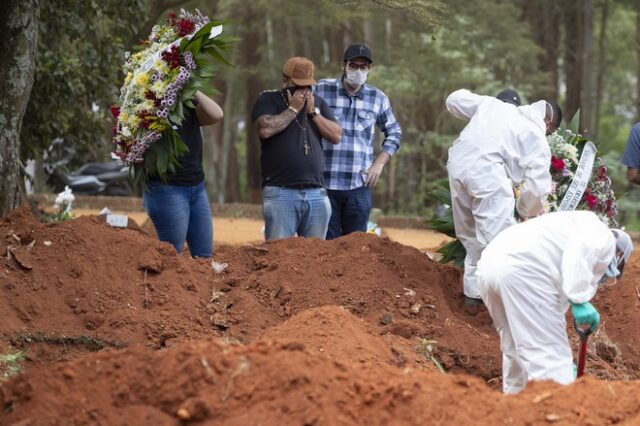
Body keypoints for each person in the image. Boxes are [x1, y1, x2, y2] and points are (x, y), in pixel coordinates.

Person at [476, 211, 633, 394]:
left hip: (489, 267)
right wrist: (579, 299)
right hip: (524, 273)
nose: (605, 278)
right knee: (549, 355)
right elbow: (580, 253)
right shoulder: (602, 235)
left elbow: (549, 311)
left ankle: (514, 407)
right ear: (619, 254)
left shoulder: (565, 228)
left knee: (515, 350)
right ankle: (557, 409)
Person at [446, 88, 562, 310]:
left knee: (471, 236)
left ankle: (473, 298)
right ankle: (512, 310)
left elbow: (453, 100)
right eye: (552, 131)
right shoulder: (534, 132)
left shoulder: (491, 106)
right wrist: (525, 211)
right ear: (549, 124)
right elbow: (537, 188)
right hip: (487, 176)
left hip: (457, 167)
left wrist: (479, 108)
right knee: (504, 244)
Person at [315, 44, 402, 239]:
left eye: (364, 67)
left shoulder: (377, 98)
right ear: (343, 66)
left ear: (369, 70)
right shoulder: (321, 89)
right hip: (324, 184)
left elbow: (394, 132)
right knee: (325, 248)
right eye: (354, 66)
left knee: (355, 249)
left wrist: (379, 164)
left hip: (359, 186)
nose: (358, 71)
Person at [252, 57, 342, 240]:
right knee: (278, 256)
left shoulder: (318, 102)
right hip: (280, 192)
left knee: (315, 257)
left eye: (308, 85)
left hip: (316, 192)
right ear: (285, 80)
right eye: (297, 85)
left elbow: (336, 135)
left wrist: (313, 113)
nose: (303, 90)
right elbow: (265, 129)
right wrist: (293, 109)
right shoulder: (268, 99)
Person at [143, 90, 223, 258]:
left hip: (197, 187)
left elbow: (217, 114)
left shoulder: (187, 104)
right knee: (171, 257)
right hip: (167, 189)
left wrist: (193, 88)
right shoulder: (148, 103)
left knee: (204, 256)